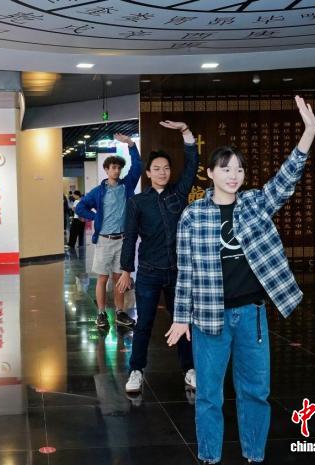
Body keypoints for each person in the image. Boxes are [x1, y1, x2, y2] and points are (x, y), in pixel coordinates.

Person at [166, 96, 315, 465]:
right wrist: (181, 317)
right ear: (210, 174)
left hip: (252, 314)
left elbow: (286, 178)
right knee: (209, 395)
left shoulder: (255, 204)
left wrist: (309, 131)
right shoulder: (193, 215)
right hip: (209, 317)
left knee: (255, 391)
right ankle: (209, 456)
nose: (234, 175)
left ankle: (253, 454)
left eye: (239, 169)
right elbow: (185, 271)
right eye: (226, 168)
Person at [117, 120, 198, 395]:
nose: (162, 172)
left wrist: (186, 132)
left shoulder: (179, 193)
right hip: (149, 272)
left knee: (184, 322)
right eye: (157, 169)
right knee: (144, 324)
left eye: (166, 168)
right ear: (148, 173)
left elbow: (192, 165)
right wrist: (126, 270)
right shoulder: (137, 202)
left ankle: (189, 368)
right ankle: (136, 370)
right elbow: (129, 237)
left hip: (179, 272)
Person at [75, 134, 142, 328]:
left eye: (119, 168)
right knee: (102, 279)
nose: (117, 170)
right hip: (104, 240)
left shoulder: (126, 186)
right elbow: (80, 207)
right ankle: (101, 313)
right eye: (113, 167)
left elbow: (137, 166)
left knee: (119, 278)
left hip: (122, 240)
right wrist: (95, 217)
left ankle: (120, 312)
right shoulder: (98, 192)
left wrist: (131, 145)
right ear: (106, 169)